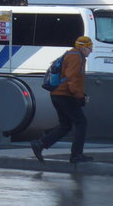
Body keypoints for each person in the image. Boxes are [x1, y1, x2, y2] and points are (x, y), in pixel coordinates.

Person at [30, 36, 94, 164]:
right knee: (81, 123)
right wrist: (79, 96)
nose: (91, 51)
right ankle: (76, 155)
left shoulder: (70, 54)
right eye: (90, 48)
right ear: (83, 47)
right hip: (65, 95)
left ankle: (40, 144)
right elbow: (72, 78)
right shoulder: (76, 57)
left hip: (58, 94)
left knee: (65, 125)